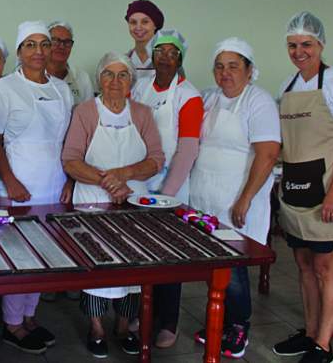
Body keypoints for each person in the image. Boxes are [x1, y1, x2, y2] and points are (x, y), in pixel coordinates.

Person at [271, 12, 333, 363]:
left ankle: (324, 346)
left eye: (306, 44)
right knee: (304, 266)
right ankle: (309, 333)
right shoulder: (287, 87)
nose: (299, 51)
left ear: (321, 44)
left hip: (327, 191)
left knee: (327, 269)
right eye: (293, 45)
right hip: (296, 190)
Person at [62, 53, 164, 358]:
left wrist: (125, 175)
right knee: (98, 268)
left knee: (132, 268)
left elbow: (156, 159)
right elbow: (70, 159)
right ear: (99, 79)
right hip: (94, 203)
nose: (115, 82)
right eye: (109, 74)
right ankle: (96, 329)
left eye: (123, 75)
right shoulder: (85, 112)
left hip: (134, 202)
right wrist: (109, 182)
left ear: (131, 80)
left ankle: (124, 326)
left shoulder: (143, 114)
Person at [189, 38, 281, 359]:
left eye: (233, 66)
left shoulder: (259, 102)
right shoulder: (210, 98)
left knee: (234, 265)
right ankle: (220, 321)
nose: (225, 73)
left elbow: (268, 154)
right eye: (219, 66)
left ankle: (239, 327)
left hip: (237, 200)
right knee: (215, 264)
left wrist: (245, 198)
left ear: (249, 70)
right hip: (205, 198)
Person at [0, 21, 74, 355]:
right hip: (15, 187)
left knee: (44, 257)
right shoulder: (4, 89)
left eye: (44, 44)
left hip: (52, 185)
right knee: (17, 257)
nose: (39, 51)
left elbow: (67, 142)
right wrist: (9, 180)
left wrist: (69, 179)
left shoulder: (62, 89)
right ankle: (12, 324)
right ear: (20, 51)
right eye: (30, 45)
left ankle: (29, 316)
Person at [130, 29, 203, 349]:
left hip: (172, 187)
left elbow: (187, 150)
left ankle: (167, 322)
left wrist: (165, 193)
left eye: (171, 53)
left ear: (180, 59)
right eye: (159, 51)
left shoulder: (189, 96)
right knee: (142, 253)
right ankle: (142, 312)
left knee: (171, 257)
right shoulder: (141, 88)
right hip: (141, 182)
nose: (164, 58)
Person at [46, 20, 94, 104]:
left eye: (67, 42)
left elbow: (89, 113)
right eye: (55, 41)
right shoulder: (34, 76)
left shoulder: (82, 78)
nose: (61, 46)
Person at [124, 0, 163, 77]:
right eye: (133, 22)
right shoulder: (124, 61)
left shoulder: (168, 60)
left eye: (145, 22)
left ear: (155, 25)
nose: (138, 27)